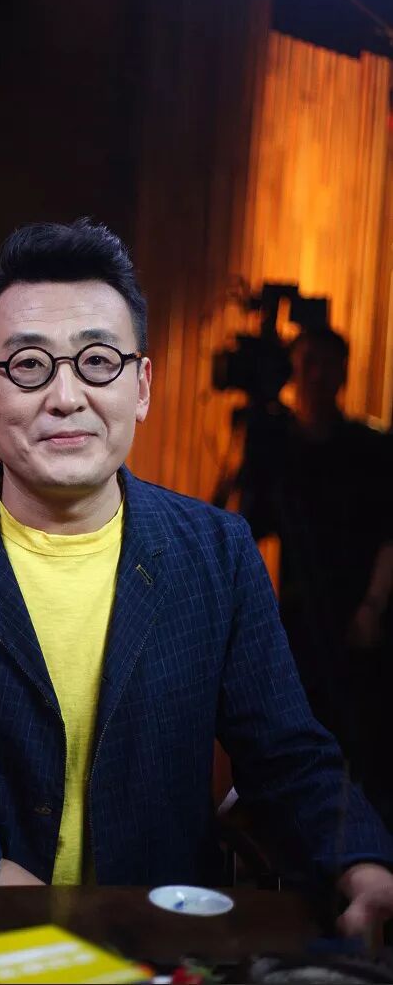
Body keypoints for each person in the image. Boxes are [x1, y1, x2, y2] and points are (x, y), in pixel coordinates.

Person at [0, 219, 393, 935]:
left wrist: (363, 861)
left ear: (142, 386)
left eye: (98, 361)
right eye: (28, 365)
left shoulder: (217, 553)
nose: (65, 396)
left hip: (158, 944)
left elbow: (287, 756)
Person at [238, 327, 393, 821]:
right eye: (308, 364)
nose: (318, 376)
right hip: (300, 617)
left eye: (328, 364)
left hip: (360, 616)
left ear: (343, 372)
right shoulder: (279, 447)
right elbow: (247, 524)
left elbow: (389, 534)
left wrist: (373, 606)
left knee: (364, 744)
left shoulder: (370, 449)